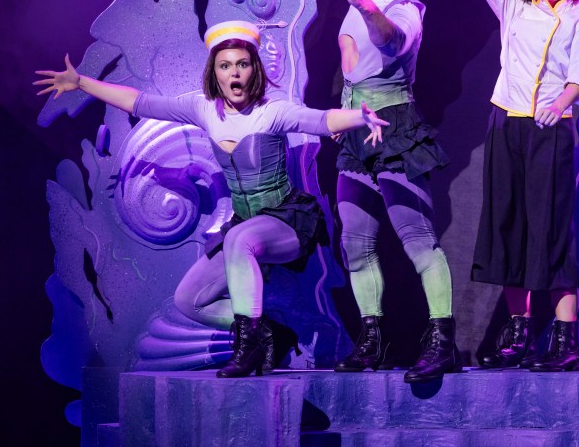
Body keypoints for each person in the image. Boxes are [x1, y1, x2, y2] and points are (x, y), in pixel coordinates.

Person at [35, 20, 388, 378]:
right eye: (225, 65)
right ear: (215, 73)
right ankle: (268, 332)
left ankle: (247, 348)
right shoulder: (204, 109)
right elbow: (140, 103)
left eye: (242, 64)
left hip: (287, 223)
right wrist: (81, 82)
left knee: (239, 238)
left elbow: (322, 120)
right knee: (189, 300)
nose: (234, 73)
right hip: (243, 229)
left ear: (253, 69)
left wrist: (360, 116)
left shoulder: (272, 110)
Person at [468, 0, 579, 372]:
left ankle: (565, 340)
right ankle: (519, 332)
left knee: (551, 230)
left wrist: (561, 100)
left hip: (551, 130)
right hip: (506, 125)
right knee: (508, 226)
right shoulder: (513, 6)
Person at [332, 0, 457, 384]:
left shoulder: (405, 6)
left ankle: (442, 341)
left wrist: (367, 4)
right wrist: (344, 114)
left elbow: (390, 42)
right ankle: (371, 340)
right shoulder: (354, 3)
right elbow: (353, 71)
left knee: (418, 241)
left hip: (396, 128)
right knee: (355, 243)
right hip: (357, 133)